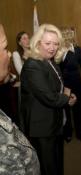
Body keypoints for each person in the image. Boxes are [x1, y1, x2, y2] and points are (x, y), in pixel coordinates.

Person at [20, 24, 77, 175]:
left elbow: (57, 90)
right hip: (42, 128)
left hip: (54, 123)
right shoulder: (33, 64)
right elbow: (49, 97)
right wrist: (66, 98)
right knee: (48, 167)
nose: (52, 47)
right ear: (38, 43)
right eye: (48, 43)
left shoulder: (51, 61)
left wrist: (67, 96)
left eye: (56, 43)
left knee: (57, 164)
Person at [0, 24, 40, 174]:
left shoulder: (33, 52)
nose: (9, 54)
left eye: (27, 37)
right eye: (5, 48)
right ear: (19, 41)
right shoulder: (17, 54)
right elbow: (23, 73)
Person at [58, 27, 81, 142]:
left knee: (79, 109)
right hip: (65, 85)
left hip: (79, 84)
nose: (73, 36)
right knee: (66, 110)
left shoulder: (78, 49)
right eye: (71, 34)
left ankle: (80, 131)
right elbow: (58, 69)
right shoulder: (59, 51)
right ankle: (67, 132)